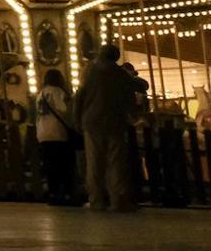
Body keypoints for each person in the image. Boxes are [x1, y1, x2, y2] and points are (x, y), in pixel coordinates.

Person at [73, 43, 140, 211]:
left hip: (92, 122)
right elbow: (130, 99)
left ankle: (96, 200)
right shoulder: (121, 75)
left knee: (95, 162)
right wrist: (132, 115)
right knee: (115, 162)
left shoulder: (89, 71)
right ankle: (118, 200)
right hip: (115, 122)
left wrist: (76, 119)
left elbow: (79, 96)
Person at [36, 68, 78, 206]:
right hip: (58, 132)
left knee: (50, 166)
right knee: (64, 165)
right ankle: (66, 193)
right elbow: (64, 109)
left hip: (43, 132)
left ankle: (53, 193)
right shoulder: (57, 92)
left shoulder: (40, 94)